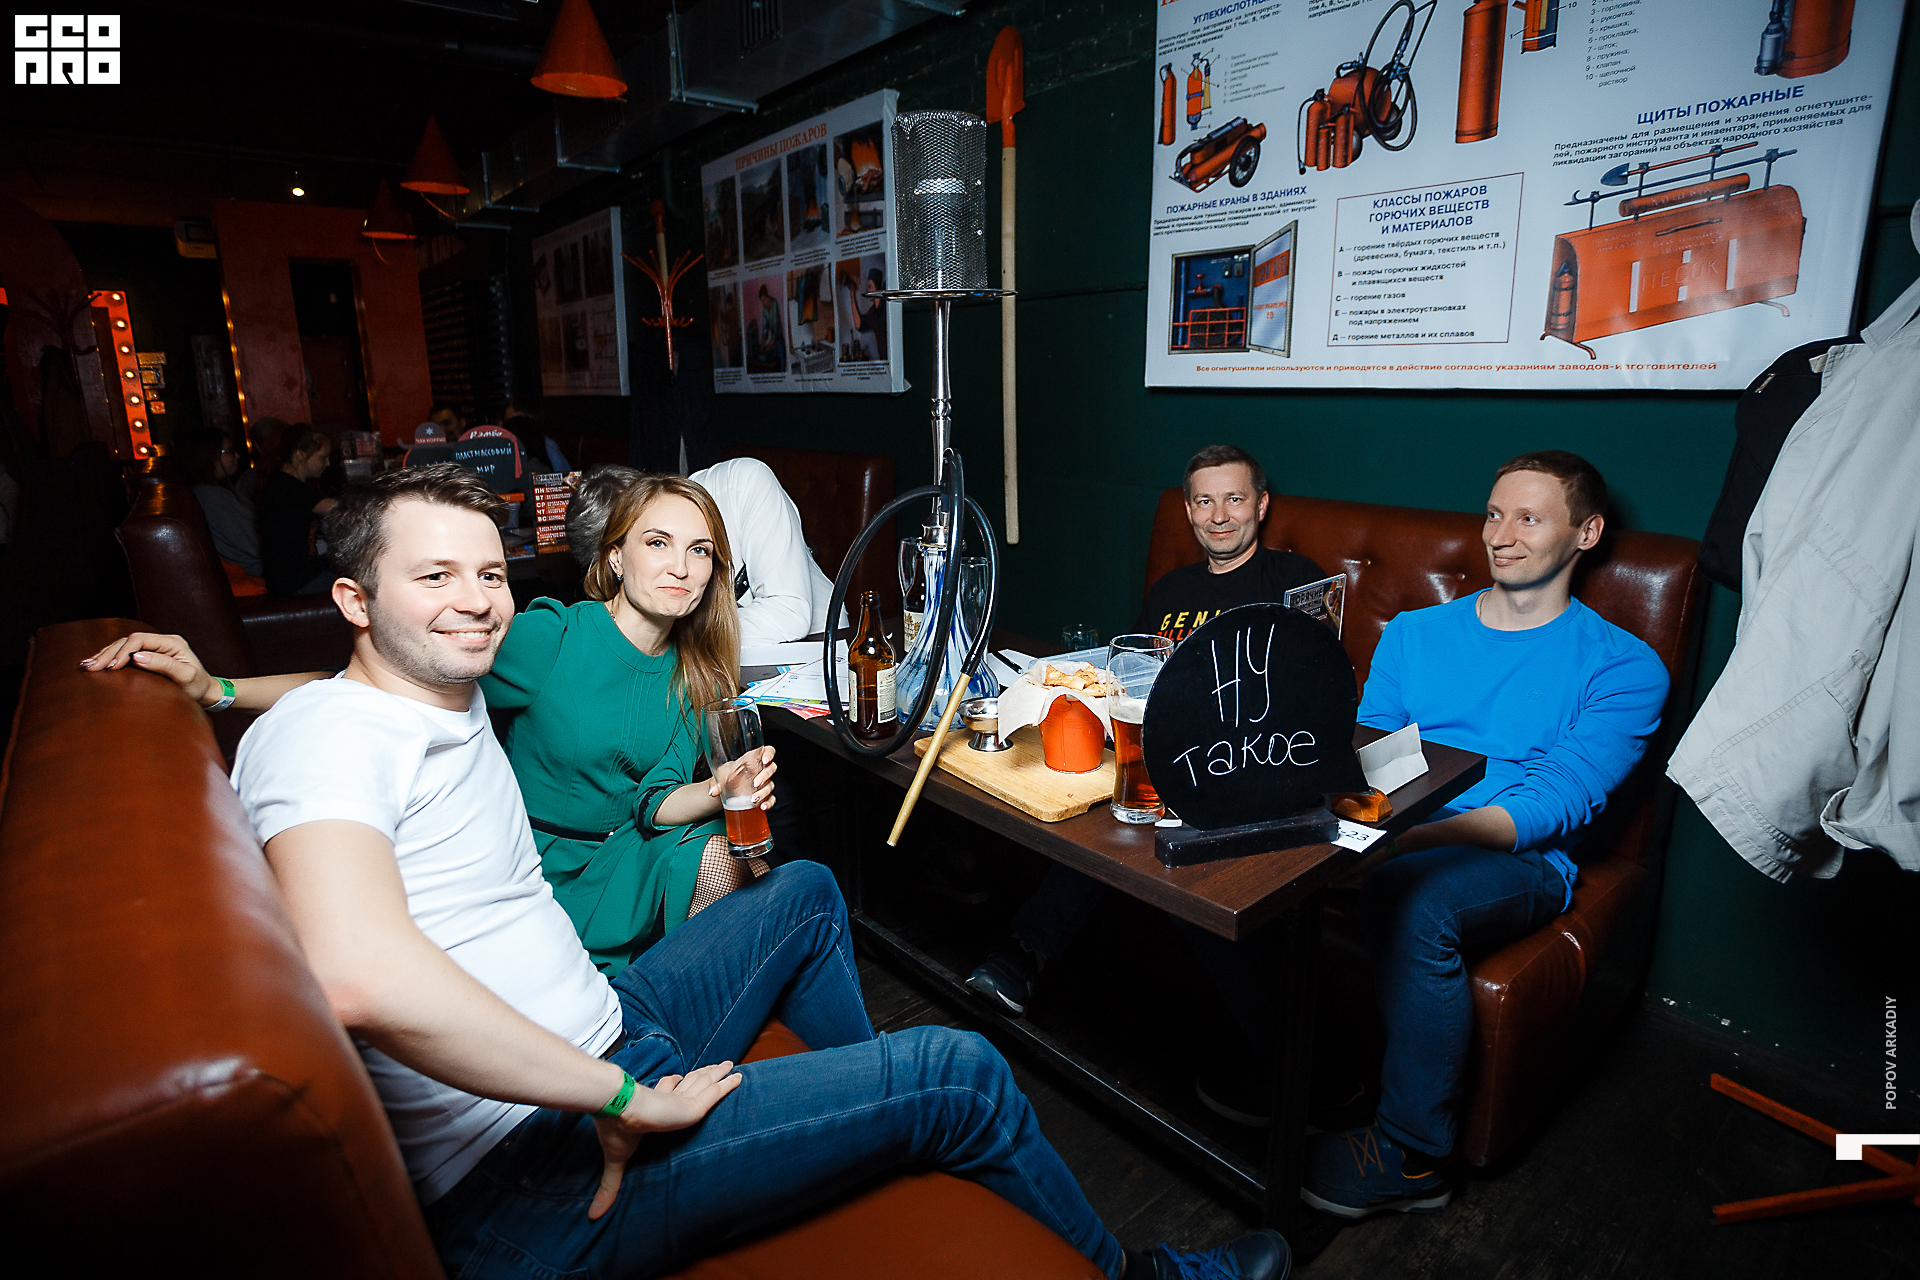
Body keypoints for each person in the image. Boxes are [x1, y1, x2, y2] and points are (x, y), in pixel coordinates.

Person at [80, 465, 1288, 1280]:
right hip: (539, 1163)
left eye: (489, 574)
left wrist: (707, 802)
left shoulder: (441, 703)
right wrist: (617, 1094)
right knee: (961, 1068)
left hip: (608, 1019)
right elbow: (355, 970)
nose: (475, 602)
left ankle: (853, 1104)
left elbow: (597, 778)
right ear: (353, 596)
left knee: (805, 889)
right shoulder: (333, 733)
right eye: (433, 577)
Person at [1291, 451, 1668, 1219]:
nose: (1501, 535)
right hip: (1397, 826)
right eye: (1494, 514)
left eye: (1529, 518)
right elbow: (1377, 757)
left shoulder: (1625, 668)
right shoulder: (1414, 632)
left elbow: (1550, 805)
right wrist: (1336, 822)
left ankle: (1413, 1157)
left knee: (1414, 897)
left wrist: (1405, 846)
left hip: (1519, 856)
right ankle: (1302, 1076)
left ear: (1587, 533)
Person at [967, 445, 1326, 1015]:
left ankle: (1273, 1040)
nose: (1219, 516)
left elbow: (1312, 692)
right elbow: (1129, 674)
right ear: (1188, 510)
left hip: (1243, 765)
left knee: (1155, 837)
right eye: (1204, 502)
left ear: (1260, 505)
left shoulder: (1294, 581)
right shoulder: (1171, 590)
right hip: (1156, 758)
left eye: (1234, 499)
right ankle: (1022, 956)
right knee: (1096, 813)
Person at [481, 472, 771, 974]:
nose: (680, 567)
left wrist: (719, 787)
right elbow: (426, 685)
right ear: (616, 557)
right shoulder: (553, 636)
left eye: (699, 551)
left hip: (625, 857)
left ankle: (675, 1005)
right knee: (738, 867)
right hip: (537, 868)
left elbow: (655, 800)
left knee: (753, 867)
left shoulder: (695, 674)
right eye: (658, 543)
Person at [566, 461, 838, 646]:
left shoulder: (744, 483)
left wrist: (670, 636)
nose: (678, 569)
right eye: (657, 545)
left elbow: (789, 611)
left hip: (816, 651)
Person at [258, 425, 337, 595]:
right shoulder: (286, 485)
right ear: (300, 454)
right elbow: (334, 508)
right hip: (296, 581)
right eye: (323, 457)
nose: (328, 463)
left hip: (293, 578)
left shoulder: (282, 483)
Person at [175, 427, 262, 580]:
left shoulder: (211, 492)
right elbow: (257, 545)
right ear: (208, 456)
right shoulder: (213, 498)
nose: (237, 456)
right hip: (255, 575)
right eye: (229, 451)